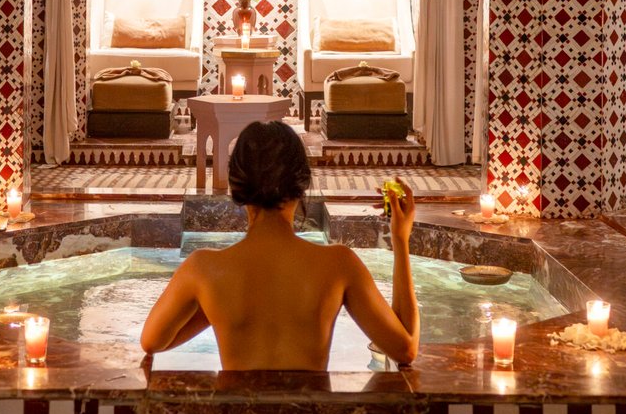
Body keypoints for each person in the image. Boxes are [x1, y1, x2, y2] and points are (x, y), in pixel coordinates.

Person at [140, 120, 419, 370]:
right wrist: (400, 240)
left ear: (236, 187)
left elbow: (152, 342)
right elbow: (405, 350)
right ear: (302, 184)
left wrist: (217, 309)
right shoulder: (339, 264)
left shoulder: (203, 269)